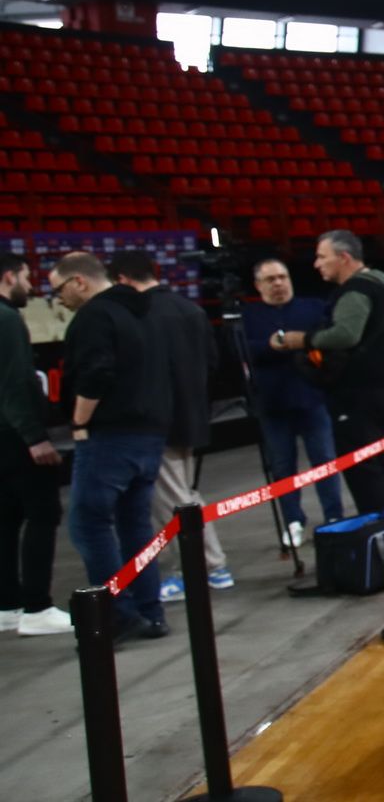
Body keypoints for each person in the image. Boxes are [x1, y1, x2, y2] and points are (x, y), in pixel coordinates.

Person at [53, 252, 171, 640]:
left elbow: (97, 372)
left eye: (59, 289)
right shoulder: (145, 311)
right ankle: (150, 611)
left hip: (110, 436)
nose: (58, 299)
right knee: (135, 523)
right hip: (149, 433)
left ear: (79, 281)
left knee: (89, 524)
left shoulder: (94, 316)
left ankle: (116, 613)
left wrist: (79, 421)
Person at [109, 250, 233, 603]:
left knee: (173, 500)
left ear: (122, 280)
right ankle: (206, 566)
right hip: (192, 415)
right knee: (183, 493)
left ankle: (208, 566)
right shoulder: (190, 309)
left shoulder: (141, 313)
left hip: (158, 421)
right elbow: (212, 362)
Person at [276, 230, 384, 515]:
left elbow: (345, 334)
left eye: (322, 257)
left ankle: (378, 528)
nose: (317, 264)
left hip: (356, 395)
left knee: (363, 467)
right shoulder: (381, 282)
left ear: (344, 258)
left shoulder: (356, 290)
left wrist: (303, 340)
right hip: (380, 389)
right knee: (376, 460)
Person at [241, 258, 342, 546]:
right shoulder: (248, 316)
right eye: (270, 279)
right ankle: (293, 521)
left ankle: (334, 516)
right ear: (258, 285)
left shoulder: (313, 308)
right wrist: (269, 346)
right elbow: (240, 349)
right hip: (272, 403)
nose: (278, 283)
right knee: (282, 466)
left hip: (312, 397)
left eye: (282, 277)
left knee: (324, 460)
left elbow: (327, 339)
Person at [0, 253, 69, 637]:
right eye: (26, 277)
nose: (30, 286)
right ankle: (37, 607)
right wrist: (35, 438)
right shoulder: (7, 319)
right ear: (9, 276)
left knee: (6, 518)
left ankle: (7, 605)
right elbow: (15, 384)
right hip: (15, 436)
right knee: (43, 512)